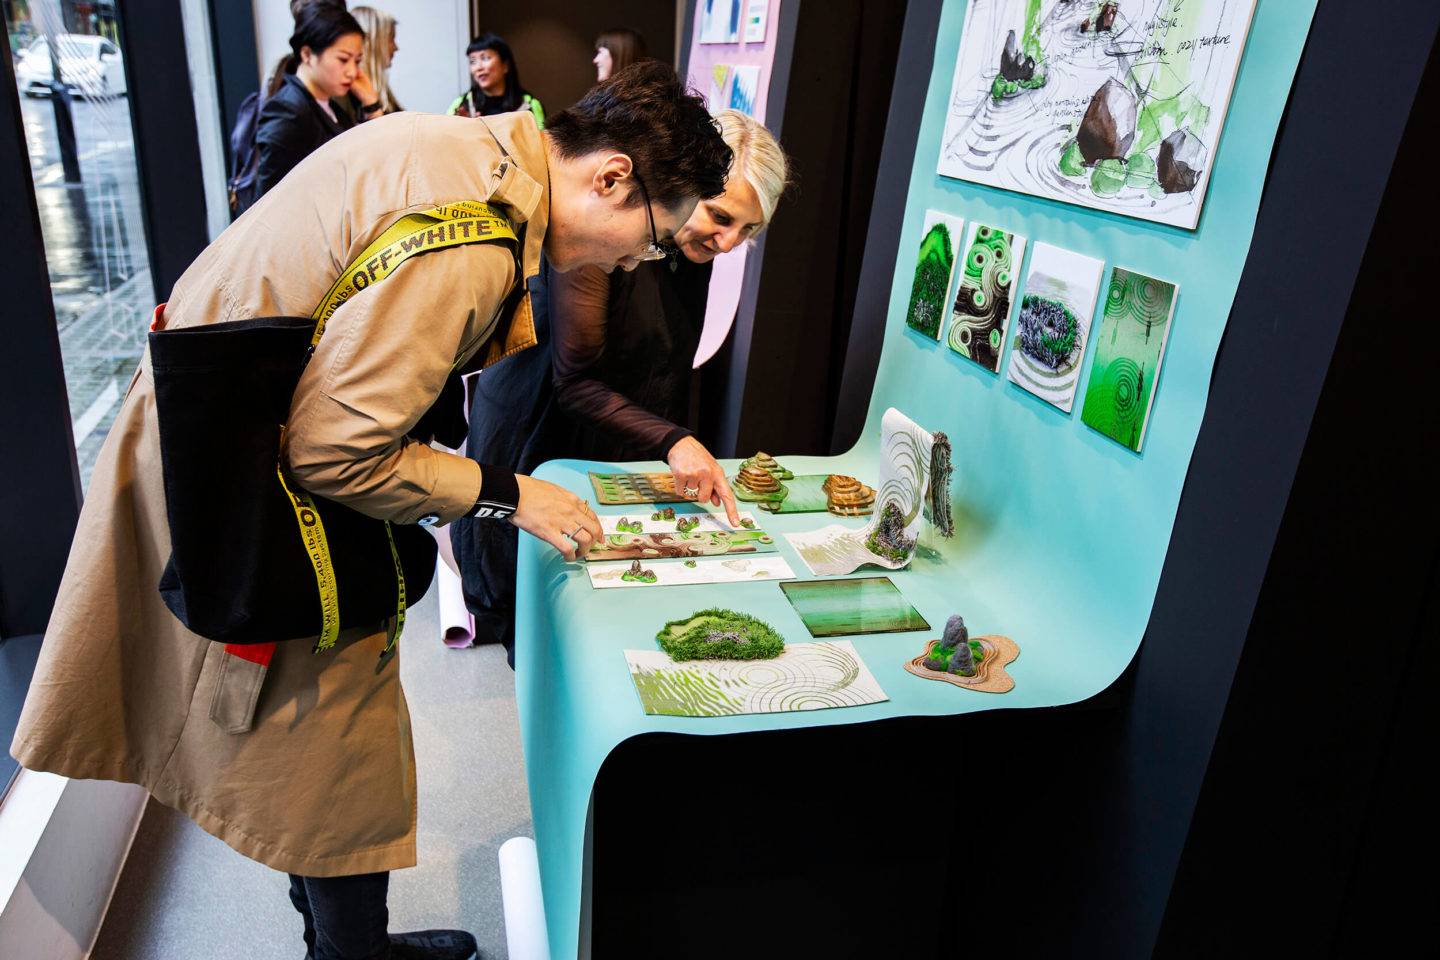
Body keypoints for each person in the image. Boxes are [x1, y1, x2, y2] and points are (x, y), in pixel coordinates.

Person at [9, 62, 730, 960]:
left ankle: (348, 945)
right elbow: (336, 450)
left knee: (322, 750)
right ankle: (352, 953)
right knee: (339, 757)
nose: (634, 262)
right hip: (250, 474)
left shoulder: (477, 149)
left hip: (237, 438)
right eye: (652, 240)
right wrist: (509, 493)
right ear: (611, 176)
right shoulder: (472, 239)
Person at [453, 109, 789, 660]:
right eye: (721, 216)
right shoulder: (605, 232)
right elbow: (575, 382)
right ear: (686, 188)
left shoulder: (694, 247)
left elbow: (665, 364)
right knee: (538, 621)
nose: (730, 243)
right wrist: (672, 440)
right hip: (540, 426)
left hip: (608, 434)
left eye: (749, 229)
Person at [254, 5, 386, 199]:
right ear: (307, 55)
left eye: (357, 61)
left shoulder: (329, 105)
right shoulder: (288, 111)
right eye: (343, 60)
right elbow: (266, 201)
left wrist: (371, 104)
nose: (352, 72)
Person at [448, 32, 544, 128]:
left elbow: (541, 141)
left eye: (485, 58)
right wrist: (461, 128)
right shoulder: (461, 105)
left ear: (505, 65)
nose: (478, 67)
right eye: (473, 61)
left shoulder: (529, 105)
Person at [351, 5, 402, 113]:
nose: (396, 48)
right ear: (373, 42)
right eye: (391, 39)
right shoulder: (350, 94)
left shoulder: (382, 89)